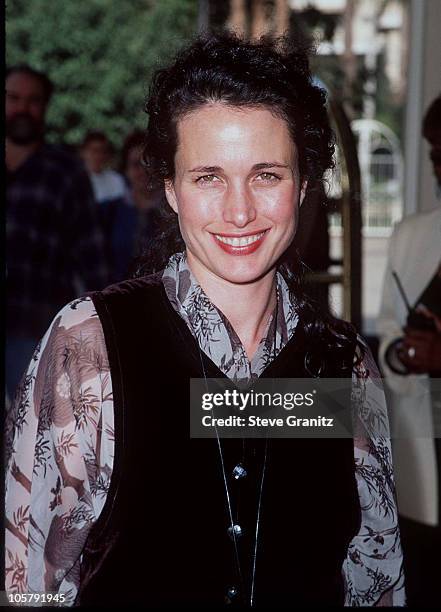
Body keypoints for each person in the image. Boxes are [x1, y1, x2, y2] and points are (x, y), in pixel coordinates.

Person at [5, 33, 405, 608]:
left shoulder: (342, 367)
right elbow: (28, 582)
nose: (239, 211)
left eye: (267, 174)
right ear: (169, 188)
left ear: (304, 184)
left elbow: (373, 573)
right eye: (208, 177)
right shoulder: (90, 345)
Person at [6, 65, 109, 398]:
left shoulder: (64, 171)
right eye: (14, 98)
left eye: (33, 100)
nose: (23, 108)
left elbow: (92, 257)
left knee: (31, 433)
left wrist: (104, 327)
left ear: (46, 107)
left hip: (35, 332)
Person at [377, 94, 441, 607]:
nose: (440, 168)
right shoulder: (411, 237)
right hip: (425, 452)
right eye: (436, 154)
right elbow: (389, 337)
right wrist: (404, 355)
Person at [109, 130, 162, 281]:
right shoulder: (109, 212)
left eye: (150, 163)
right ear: (125, 169)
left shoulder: (174, 215)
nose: (144, 171)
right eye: (136, 164)